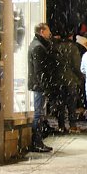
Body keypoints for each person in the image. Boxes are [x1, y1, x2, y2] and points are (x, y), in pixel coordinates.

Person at [28, 22, 54, 153]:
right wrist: (45, 86)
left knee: (40, 114)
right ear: (42, 31)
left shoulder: (37, 45)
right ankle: (37, 142)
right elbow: (39, 70)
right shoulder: (38, 47)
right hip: (39, 86)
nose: (50, 33)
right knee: (38, 114)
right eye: (48, 31)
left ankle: (38, 141)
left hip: (38, 85)